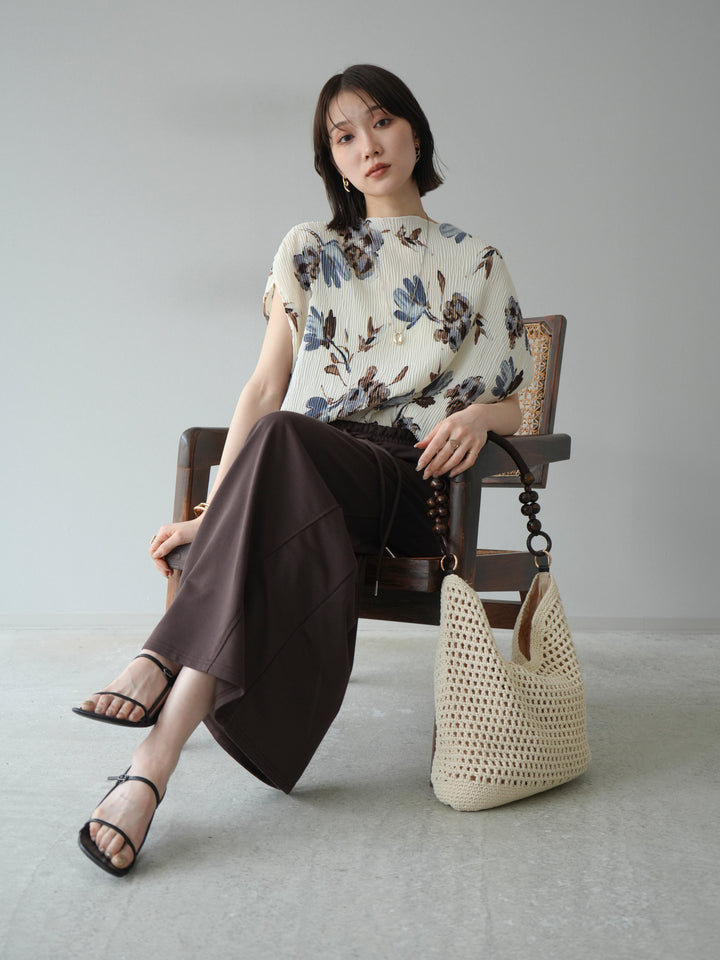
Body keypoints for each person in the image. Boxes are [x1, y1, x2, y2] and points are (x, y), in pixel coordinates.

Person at [74, 63, 535, 876]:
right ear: (333, 161)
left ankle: (159, 658)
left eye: (382, 122)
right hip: (303, 474)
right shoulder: (309, 251)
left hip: (408, 481)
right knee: (282, 444)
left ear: (415, 133)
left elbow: (514, 401)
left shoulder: (476, 259)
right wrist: (214, 514)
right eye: (344, 136)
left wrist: (474, 417)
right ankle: (151, 766)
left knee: (285, 439)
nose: (368, 146)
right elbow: (263, 387)